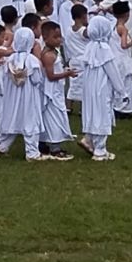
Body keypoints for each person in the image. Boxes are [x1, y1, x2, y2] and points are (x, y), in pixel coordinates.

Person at [0, 27, 45, 160]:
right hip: (29, 97)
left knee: (12, 118)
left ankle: (0, 144)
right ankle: (32, 152)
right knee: (30, 121)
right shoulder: (32, 60)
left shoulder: (10, 59)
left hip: (12, 96)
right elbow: (37, 79)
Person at [78, 16, 121, 161]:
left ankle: (89, 138)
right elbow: (112, 71)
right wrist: (121, 90)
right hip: (102, 87)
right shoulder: (104, 49)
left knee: (92, 112)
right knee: (103, 114)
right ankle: (100, 150)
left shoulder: (90, 46)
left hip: (90, 86)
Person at [38, 21, 77, 160]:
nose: (59, 40)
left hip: (57, 90)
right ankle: (55, 147)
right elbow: (51, 76)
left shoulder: (55, 52)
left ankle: (48, 144)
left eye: (60, 36)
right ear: (45, 38)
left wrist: (64, 71)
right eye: (55, 37)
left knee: (57, 116)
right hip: (51, 91)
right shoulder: (48, 55)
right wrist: (67, 74)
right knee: (54, 117)